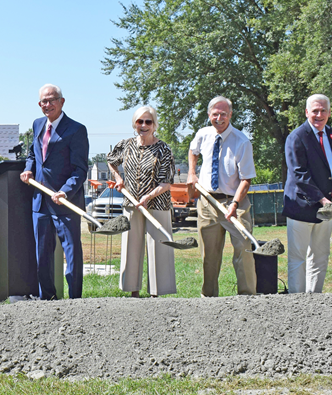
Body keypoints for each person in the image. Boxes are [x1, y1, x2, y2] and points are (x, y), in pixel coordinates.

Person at [20, 84, 89, 300]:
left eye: (51, 100)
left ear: (62, 101)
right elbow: (33, 153)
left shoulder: (77, 130)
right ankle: (47, 298)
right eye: (43, 101)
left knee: (72, 255)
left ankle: (75, 299)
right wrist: (28, 168)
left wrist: (65, 192)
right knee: (43, 256)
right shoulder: (38, 124)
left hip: (65, 203)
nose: (47, 105)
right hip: (40, 202)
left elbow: (80, 170)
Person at [187, 96, 257, 297]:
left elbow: (246, 179)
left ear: (230, 115)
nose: (219, 118)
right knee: (208, 256)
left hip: (234, 202)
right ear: (209, 115)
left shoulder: (242, 142)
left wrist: (234, 204)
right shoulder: (203, 134)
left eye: (223, 114)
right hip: (207, 201)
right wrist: (192, 172)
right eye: (215, 114)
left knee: (244, 248)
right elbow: (193, 151)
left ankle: (247, 296)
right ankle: (208, 298)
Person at [107, 106, 176, 298]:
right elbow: (111, 160)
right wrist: (118, 177)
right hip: (131, 204)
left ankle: (157, 292)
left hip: (157, 204)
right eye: (140, 122)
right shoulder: (126, 145)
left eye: (148, 122)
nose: (143, 125)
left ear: (154, 125)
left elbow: (167, 182)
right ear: (134, 124)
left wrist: (148, 197)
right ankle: (133, 292)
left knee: (159, 245)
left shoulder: (163, 149)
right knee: (131, 245)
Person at [283, 94, 332, 293]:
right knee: (298, 258)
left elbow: (329, 169)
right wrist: (323, 199)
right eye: (315, 110)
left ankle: (316, 301)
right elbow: (299, 174)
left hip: (326, 208)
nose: (319, 114)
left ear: (329, 113)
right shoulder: (296, 137)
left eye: (323, 110)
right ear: (306, 112)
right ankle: (297, 302)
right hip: (301, 207)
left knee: (320, 255)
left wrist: (329, 199)